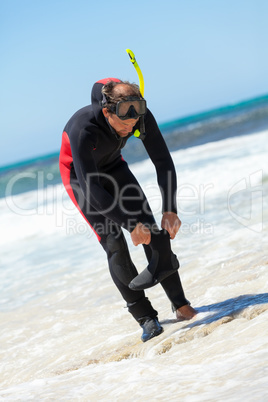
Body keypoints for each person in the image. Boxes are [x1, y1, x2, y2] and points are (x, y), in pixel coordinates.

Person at [59, 78, 197, 342]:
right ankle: (146, 318)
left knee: (154, 231)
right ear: (107, 111)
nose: (130, 127)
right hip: (82, 180)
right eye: (123, 124)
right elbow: (90, 186)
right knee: (115, 243)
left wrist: (170, 208)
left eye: (133, 123)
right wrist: (128, 224)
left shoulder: (139, 114)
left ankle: (181, 306)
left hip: (114, 168)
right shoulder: (83, 128)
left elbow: (163, 161)